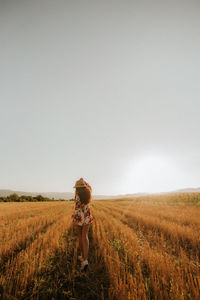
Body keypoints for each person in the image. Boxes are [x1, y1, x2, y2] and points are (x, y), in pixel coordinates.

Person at [71, 178, 94, 271]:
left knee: (80, 235)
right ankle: (85, 259)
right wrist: (85, 183)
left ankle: (83, 258)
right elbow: (90, 187)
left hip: (79, 216)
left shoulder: (77, 194)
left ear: (77, 187)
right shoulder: (88, 193)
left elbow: (76, 205)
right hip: (87, 215)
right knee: (85, 236)